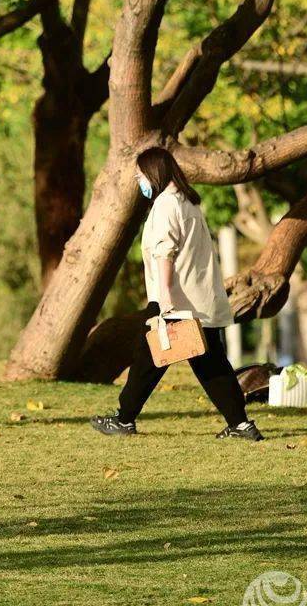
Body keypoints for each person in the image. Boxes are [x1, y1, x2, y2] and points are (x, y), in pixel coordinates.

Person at [91, 146, 263, 442]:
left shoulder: (166, 205)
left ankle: (123, 419)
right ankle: (240, 424)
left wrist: (165, 298)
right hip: (200, 301)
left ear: (153, 173)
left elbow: (165, 253)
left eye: (140, 175)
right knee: (211, 365)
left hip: (176, 303)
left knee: (148, 359)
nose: (139, 181)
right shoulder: (189, 202)